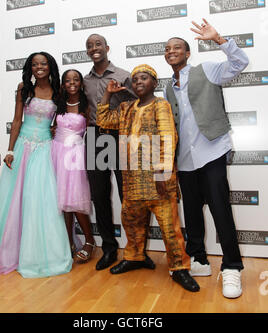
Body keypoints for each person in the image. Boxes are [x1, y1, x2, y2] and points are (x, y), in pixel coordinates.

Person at [163, 19, 249, 298]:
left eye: (177, 47)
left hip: (212, 152)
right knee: (191, 213)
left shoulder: (207, 70)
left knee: (220, 209)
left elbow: (239, 63)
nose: (171, 51)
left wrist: (219, 39)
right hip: (185, 160)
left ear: (188, 53)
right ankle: (198, 259)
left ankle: (232, 267)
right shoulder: (167, 88)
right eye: (167, 49)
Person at [96, 64, 200, 292]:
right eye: (135, 80)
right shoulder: (125, 108)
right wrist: (108, 93)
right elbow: (102, 119)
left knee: (169, 228)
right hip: (132, 181)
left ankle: (179, 268)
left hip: (157, 182)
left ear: (154, 83)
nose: (139, 82)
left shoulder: (160, 105)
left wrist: (163, 172)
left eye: (144, 78)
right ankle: (135, 257)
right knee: (131, 223)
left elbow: (168, 137)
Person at [0, 52, 73, 278]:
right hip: (23, 147)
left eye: (43, 64)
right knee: (16, 201)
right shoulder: (24, 88)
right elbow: (16, 120)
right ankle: (11, 254)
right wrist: (10, 149)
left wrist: (55, 131)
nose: (39, 67)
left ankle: (39, 255)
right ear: (30, 68)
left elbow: (61, 119)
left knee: (41, 202)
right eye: (34, 64)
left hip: (44, 149)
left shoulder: (58, 91)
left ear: (50, 67)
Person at [84, 33, 137, 270]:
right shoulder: (84, 81)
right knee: (100, 195)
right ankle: (108, 249)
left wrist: (124, 92)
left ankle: (135, 250)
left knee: (128, 195)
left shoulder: (124, 75)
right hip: (96, 137)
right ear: (87, 51)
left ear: (107, 47)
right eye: (90, 46)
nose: (94, 48)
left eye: (98, 44)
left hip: (120, 135)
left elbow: (142, 102)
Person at [51, 69, 95, 263]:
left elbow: (93, 129)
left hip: (75, 155)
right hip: (56, 153)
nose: (72, 83)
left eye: (75, 79)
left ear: (81, 83)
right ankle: (68, 241)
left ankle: (89, 241)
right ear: (62, 84)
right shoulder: (58, 104)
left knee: (75, 200)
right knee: (63, 202)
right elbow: (52, 126)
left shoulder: (87, 105)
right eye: (67, 80)